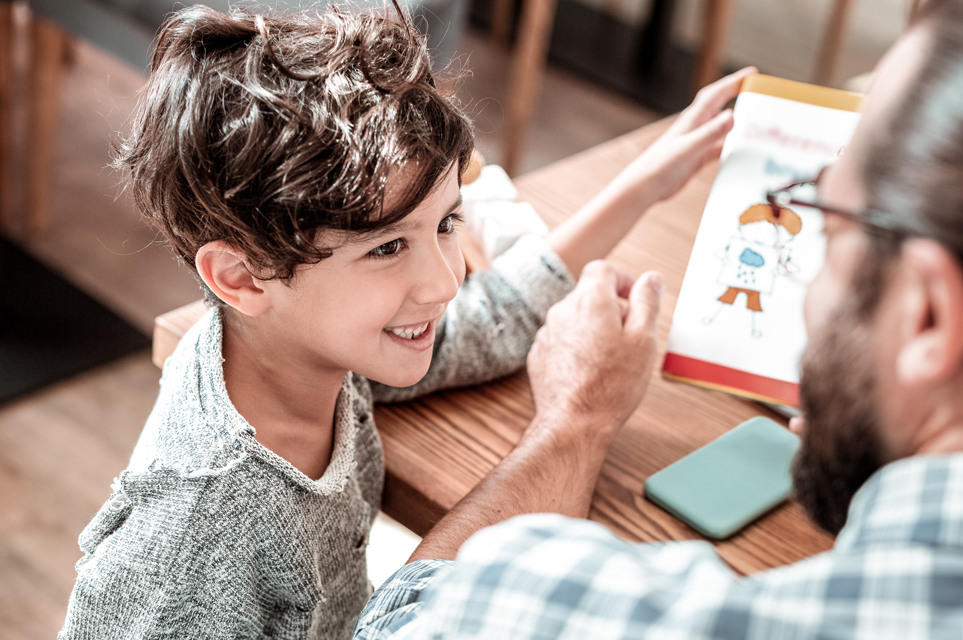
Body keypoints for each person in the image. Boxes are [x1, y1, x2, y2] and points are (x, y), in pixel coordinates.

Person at [354, 0, 963, 637]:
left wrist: (575, 421)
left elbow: (399, 619)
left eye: (826, 222)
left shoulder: (561, 607)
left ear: (930, 316)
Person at [57, 3, 752, 638]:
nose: (445, 280)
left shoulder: (309, 352)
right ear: (241, 277)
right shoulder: (196, 544)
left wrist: (646, 182)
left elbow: (491, 319)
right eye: (388, 247)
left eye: (447, 222)